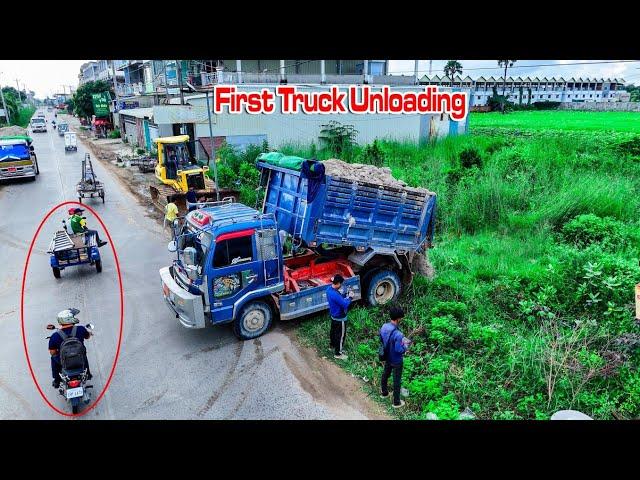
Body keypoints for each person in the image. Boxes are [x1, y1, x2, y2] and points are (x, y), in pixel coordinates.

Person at [49, 309, 92, 388]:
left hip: (64, 362)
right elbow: (88, 336)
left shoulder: (55, 336)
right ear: (69, 319)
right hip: (80, 359)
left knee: (53, 357)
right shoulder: (81, 329)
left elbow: (52, 352)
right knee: (83, 353)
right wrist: (89, 332)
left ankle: (57, 380)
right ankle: (88, 375)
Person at [379, 306, 411, 408]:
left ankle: (384, 393)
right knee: (397, 380)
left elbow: (382, 339)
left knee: (385, 374)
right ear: (398, 319)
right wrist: (406, 347)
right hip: (396, 360)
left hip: (387, 357)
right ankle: (396, 402)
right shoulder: (398, 334)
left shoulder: (384, 326)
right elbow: (398, 349)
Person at [326, 274, 354, 360]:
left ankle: (332, 346)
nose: (341, 285)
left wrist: (345, 295)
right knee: (341, 336)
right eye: (340, 284)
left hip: (333, 315)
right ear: (337, 283)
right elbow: (345, 304)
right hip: (340, 318)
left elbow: (339, 299)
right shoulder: (335, 294)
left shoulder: (329, 290)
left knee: (333, 332)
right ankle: (338, 353)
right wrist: (350, 297)